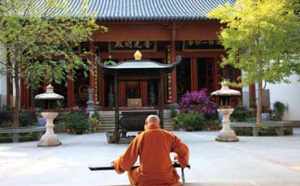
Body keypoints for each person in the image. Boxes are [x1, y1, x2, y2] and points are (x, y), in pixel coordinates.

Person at [113, 115, 189, 186]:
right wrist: (180, 159)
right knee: (171, 171)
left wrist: (117, 163)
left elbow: (127, 160)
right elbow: (184, 150)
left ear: (146, 124)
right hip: (166, 178)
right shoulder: (169, 135)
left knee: (130, 171)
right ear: (158, 124)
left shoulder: (140, 137)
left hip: (145, 180)